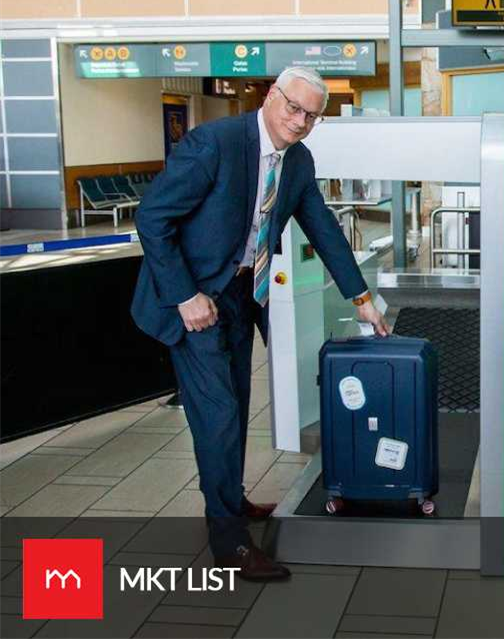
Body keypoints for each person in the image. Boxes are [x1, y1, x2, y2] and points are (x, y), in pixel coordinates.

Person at [132, 66, 390, 580]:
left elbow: (321, 226)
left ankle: (230, 498)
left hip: (241, 297)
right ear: (272, 97)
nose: (298, 121)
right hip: (192, 298)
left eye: (311, 116)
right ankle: (229, 544)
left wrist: (361, 297)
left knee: (238, 405)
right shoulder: (215, 143)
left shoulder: (296, 162)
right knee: (220, 414)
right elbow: (152, 218)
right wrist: (185, 295)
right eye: (293, 107)